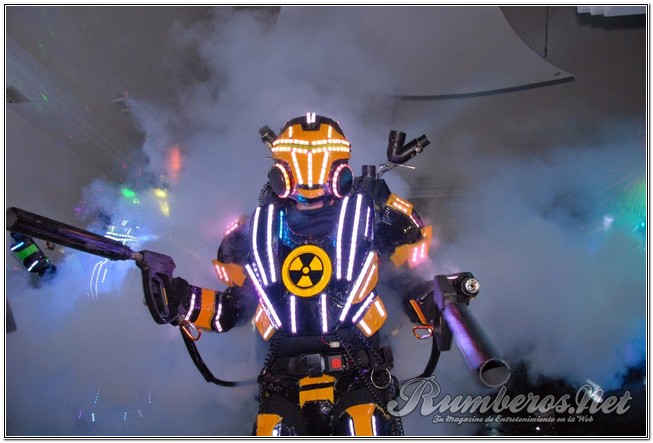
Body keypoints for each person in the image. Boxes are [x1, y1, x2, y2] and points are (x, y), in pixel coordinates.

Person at [152, 114, 436, 436]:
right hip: (282, 380)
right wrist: (182, 300)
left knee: (362, 425)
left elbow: (402, 283)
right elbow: (234, 308)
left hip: (358, 373)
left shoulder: (367, 219)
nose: (309, 173)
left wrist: (438, 300)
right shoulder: (259, 230)